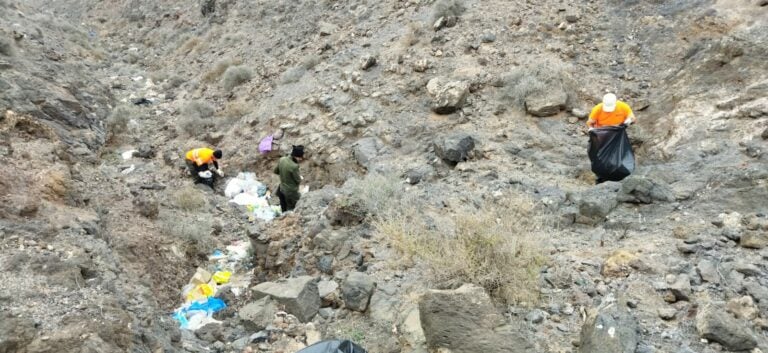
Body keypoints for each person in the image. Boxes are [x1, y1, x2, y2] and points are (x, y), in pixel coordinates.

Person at [274, 145, 304, 212]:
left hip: (281, 189)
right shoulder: (294, 166)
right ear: (296, 156)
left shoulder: (282, 159)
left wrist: (284, 174)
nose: (301, 159)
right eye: (300, 157)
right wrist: (300, 177)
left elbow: (275, 171)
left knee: (283, 208)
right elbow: (298, 180)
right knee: (292, 208)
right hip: (290, 192)